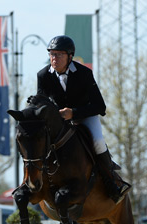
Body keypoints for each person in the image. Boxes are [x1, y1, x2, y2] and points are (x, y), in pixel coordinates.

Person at [36, 35, 131, 204]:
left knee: (98, 141)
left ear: (70, 56)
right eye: (52, 54)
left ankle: (112, 183)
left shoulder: (84, 73)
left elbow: (100, 106)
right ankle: (34, 183)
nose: (54, 58)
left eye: (59, 54)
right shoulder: (43, 75)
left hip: (85, 117)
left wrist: (74, 113)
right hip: (59, 122)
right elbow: (42, 105)